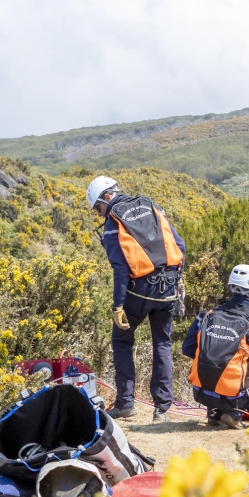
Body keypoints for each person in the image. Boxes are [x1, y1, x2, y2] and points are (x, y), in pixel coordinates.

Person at [87, 176, 187, 423]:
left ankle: (125, 403)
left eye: (98, 208)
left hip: (139, 292)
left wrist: (117, 305)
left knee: (121, 340)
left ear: (106, 198)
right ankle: (162, 409)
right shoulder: (151, 206)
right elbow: (180, 247)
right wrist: (177, 283)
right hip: (168, 288)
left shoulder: (113, 222)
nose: (100, 214)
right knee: (162, 344)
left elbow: (120, 269)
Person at [182, 264, 249, 430]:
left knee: (228, 368)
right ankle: (234, 414)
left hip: (199, 392)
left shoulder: (205, 316)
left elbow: (187, 349)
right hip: (233, 397)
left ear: (231, 287)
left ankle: (214, 413)